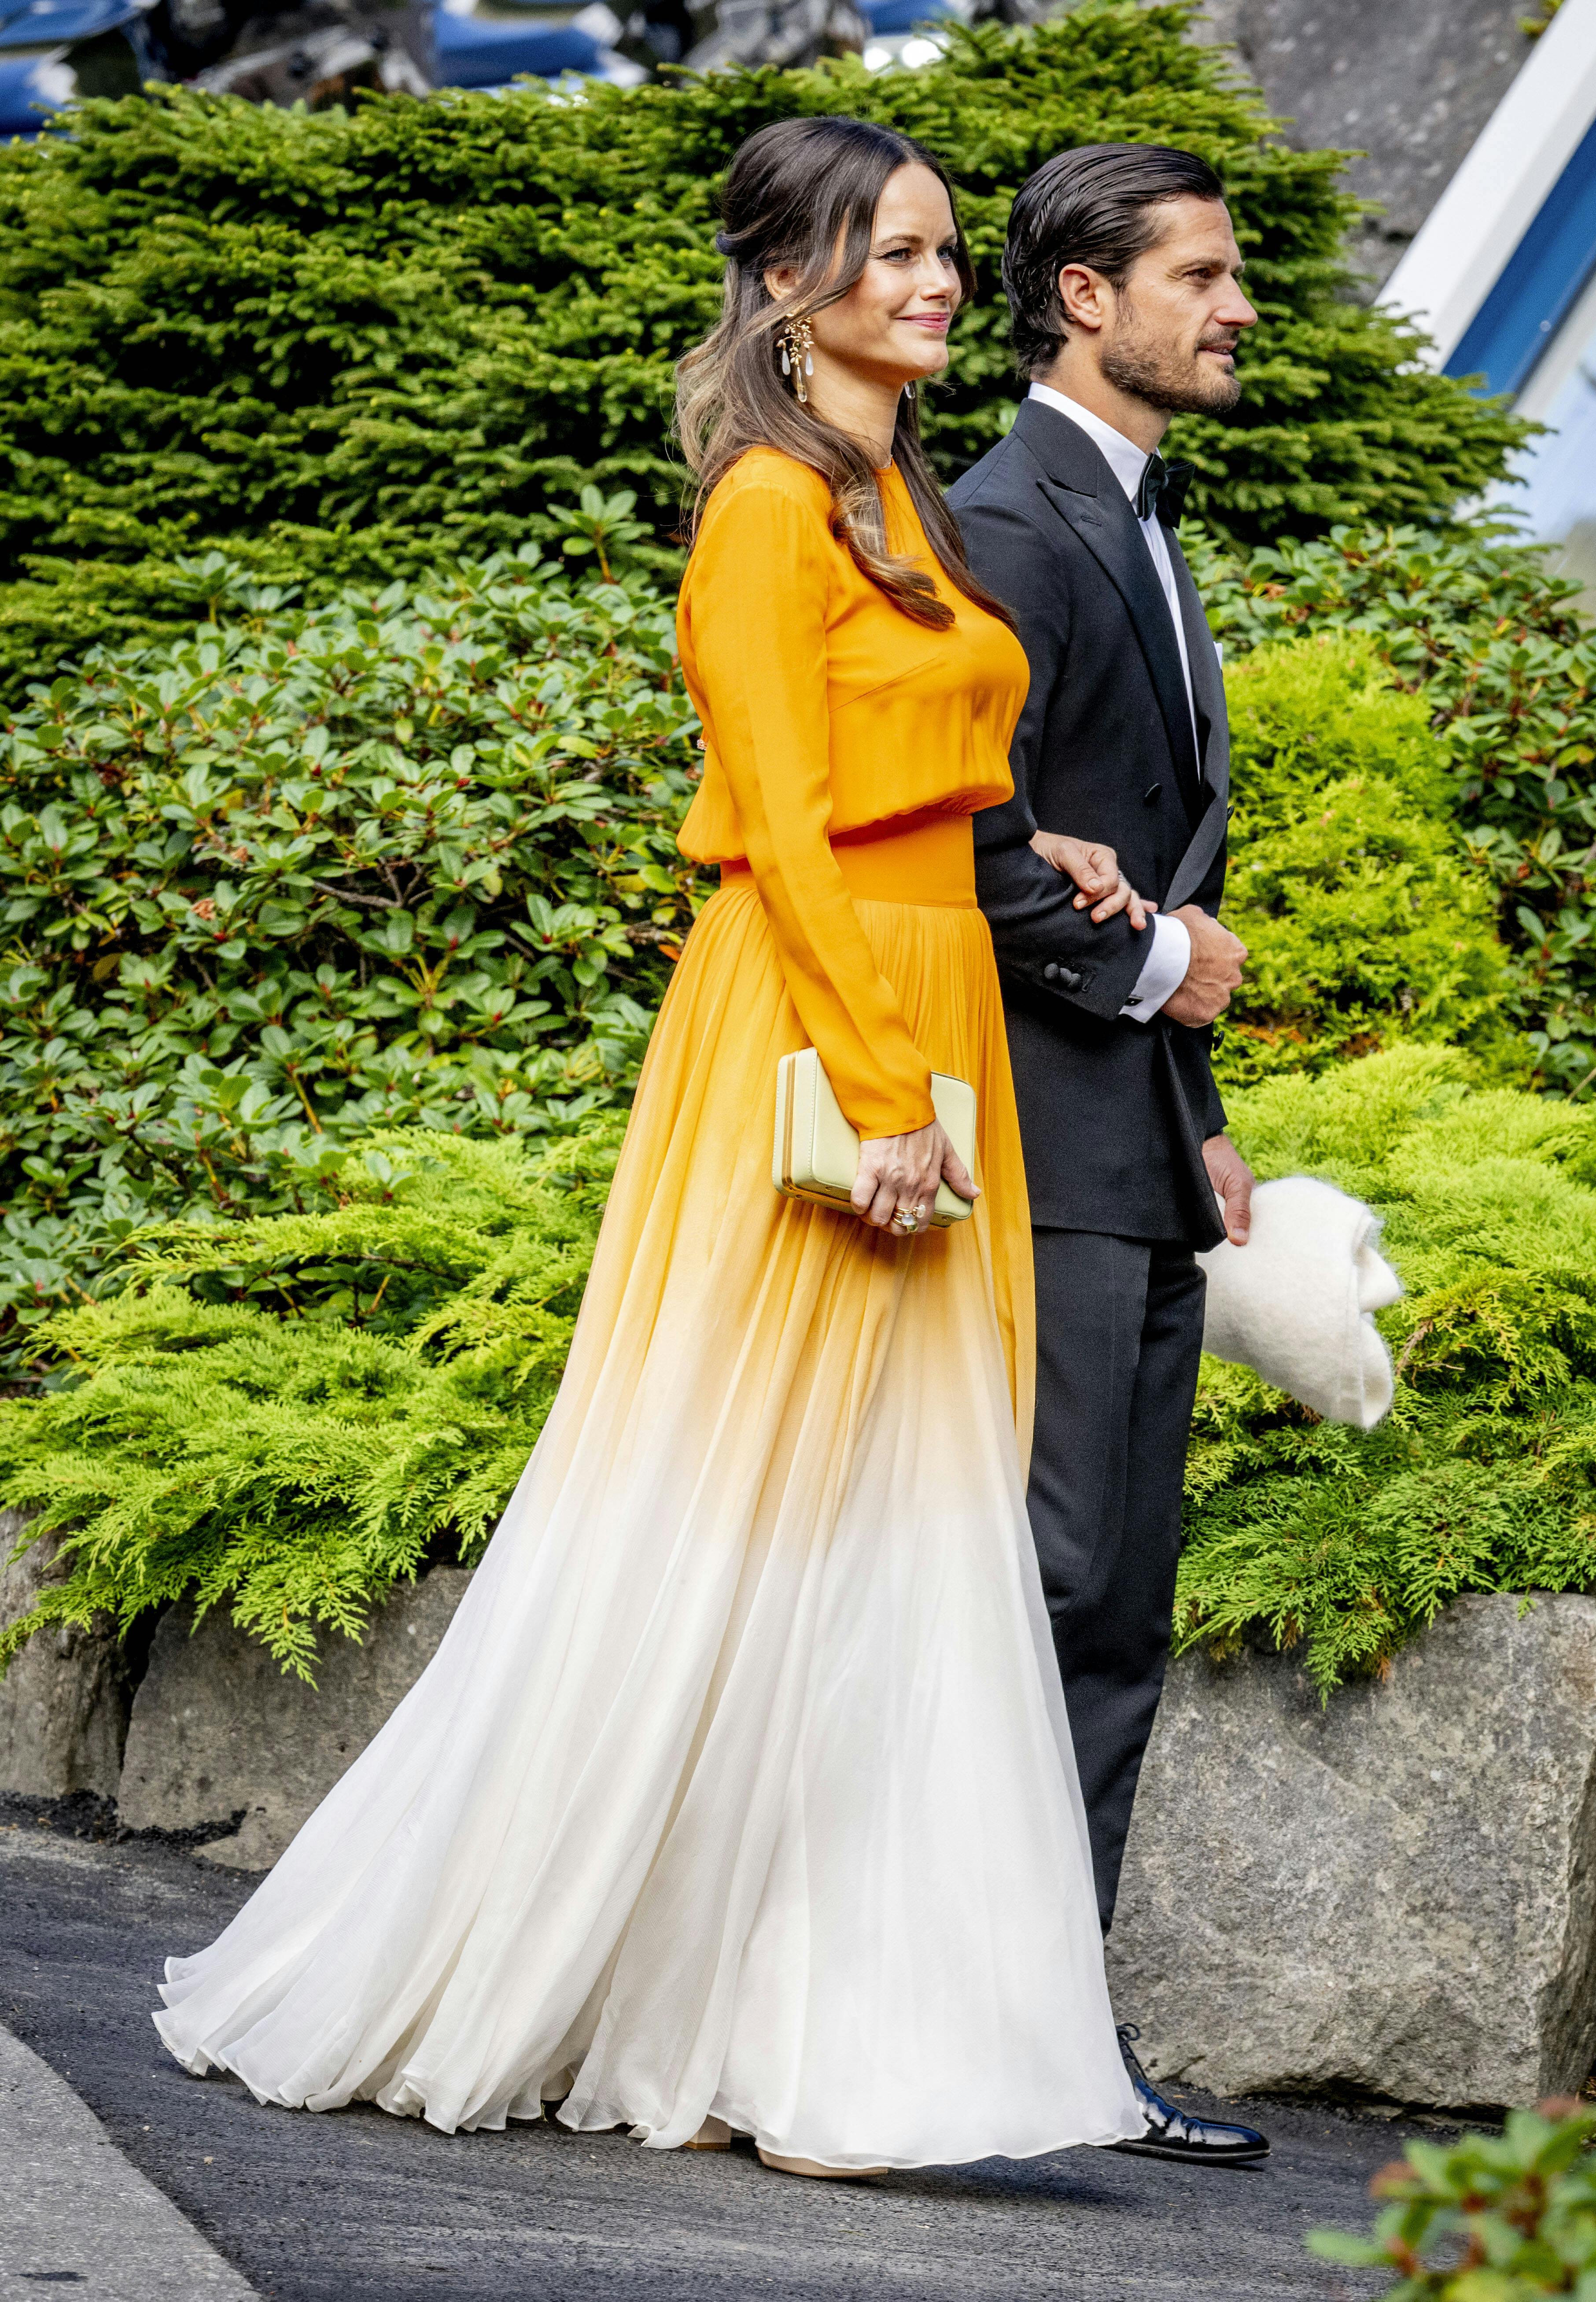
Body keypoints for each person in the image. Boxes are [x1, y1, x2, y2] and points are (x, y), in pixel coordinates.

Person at [151, 116, 1147, 2180]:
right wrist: (876, 1091)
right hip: (817, 1018)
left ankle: (792, 2013)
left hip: (927, 981)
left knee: (888, 1536)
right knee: (740, 1515)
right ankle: (603, 1976)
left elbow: (905, 764)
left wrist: (1022, 838)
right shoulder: (775, 504)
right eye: (890, 254)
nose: (935, 282)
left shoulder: (900, 494)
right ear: (789, 283)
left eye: (945, 251)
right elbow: (776, 818)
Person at [950, 142, 1270, 2167]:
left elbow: (1128, 824)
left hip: (1130, 1147)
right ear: (1085, 294)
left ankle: (1050, 2030)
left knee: (1111, 1607)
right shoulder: (1008, 518)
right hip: (1038, 1148)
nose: (1238, 306)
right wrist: (1162, 964)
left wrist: (1205, 1116)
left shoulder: (1129, 514)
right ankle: (1002, 2036)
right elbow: (973, 847)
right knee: (1049, 1591)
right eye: (1203, 274)